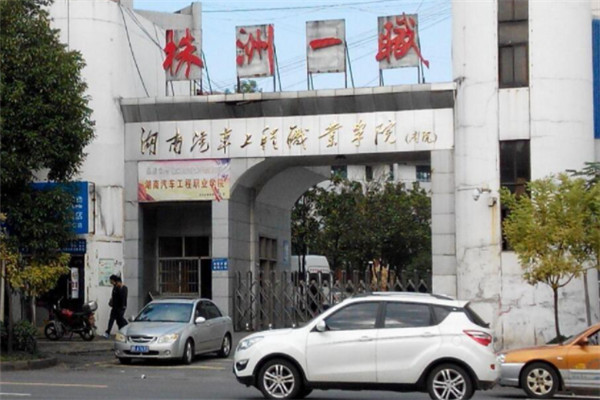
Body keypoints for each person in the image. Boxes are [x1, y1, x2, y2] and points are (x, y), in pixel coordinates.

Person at [103, 274, 128, 338]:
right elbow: (114, 296)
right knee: (112, 320)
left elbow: (123, 298)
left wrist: (123, 307)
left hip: (121, 308)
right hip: (115, 307)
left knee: (120, 320)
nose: (110, 282)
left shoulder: (124, 288)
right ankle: (108, 332)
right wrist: (111, 301)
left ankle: (126, 328)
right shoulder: (115, 287)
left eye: (111, 281)